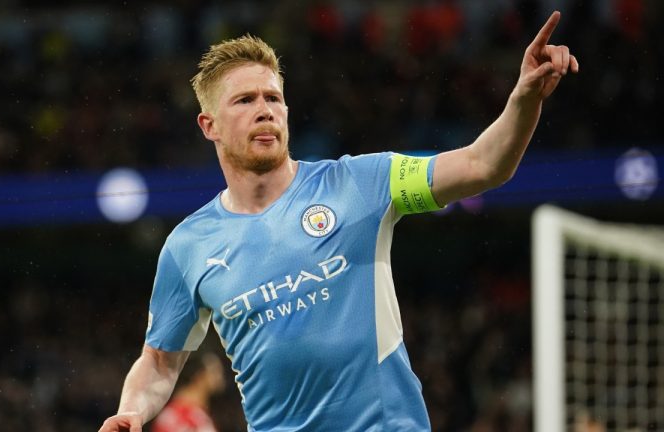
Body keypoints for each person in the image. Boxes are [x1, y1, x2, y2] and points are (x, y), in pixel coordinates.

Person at [99, 10, 578, 432]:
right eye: (244, 101)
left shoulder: (360, 182)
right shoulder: (189, 245)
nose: (264, 110)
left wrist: (524, 99)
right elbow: (160, 362)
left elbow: (481, 166)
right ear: (209, 126)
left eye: (273, 98)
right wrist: (132, 410)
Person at [149, 351, 225, 432]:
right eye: (214, 372)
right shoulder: (176, 416)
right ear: (200, 376)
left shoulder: (199, 414)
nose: (220, 378)